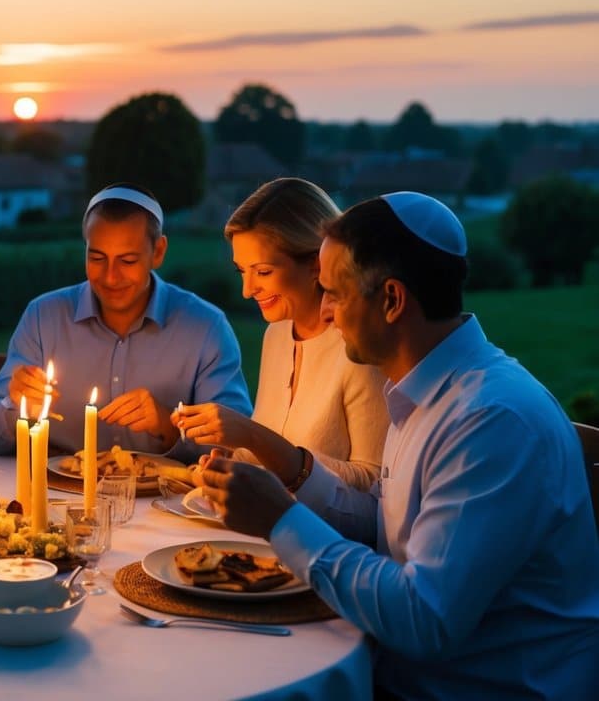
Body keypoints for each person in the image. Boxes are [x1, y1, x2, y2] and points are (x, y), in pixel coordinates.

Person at [201, 192, 599, 699]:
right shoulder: (427, 391)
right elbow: (386, 527)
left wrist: (281, 520)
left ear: (391, 300)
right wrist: (288, 483)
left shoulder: (491, 420)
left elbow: (425, 618)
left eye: (335, 294)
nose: (324, 312)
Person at [0, 182, 252, 457]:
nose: (110, 277)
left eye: (128, 261)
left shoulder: (206, 328)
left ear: (158, 252)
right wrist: (16, 406)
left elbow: (238, 449)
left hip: (166, 497)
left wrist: (168, 423)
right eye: (97, 258)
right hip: (56, 494)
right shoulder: (43, 317)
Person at [173, 178, 388, 490]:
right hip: (263, 528)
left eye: (263, 272)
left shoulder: (358, 347)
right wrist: (236, 461)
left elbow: (374, 484)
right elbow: (268, 451)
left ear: (317, 263)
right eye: (241, 272)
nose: (247, 291)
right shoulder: (276, 335)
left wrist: (254, 438)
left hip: (322, 537)